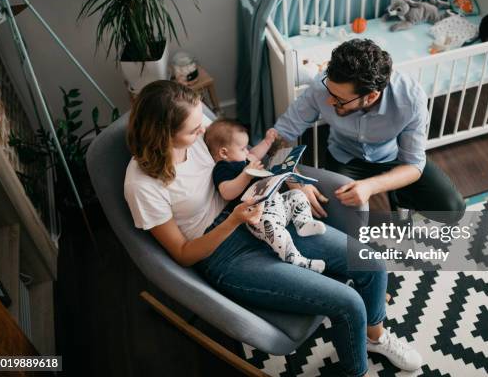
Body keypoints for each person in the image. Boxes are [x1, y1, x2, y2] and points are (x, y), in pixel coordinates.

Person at [123, 80, 422, 376]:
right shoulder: (142, 185)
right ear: (164, 134)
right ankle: (355, 371)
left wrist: (289, 178)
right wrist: (234, 220)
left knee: (372, 264)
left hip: (259, 213)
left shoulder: (199, 136)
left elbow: (244, 159)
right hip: (225, 254)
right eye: (193, 130)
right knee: (349, 303)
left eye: (201, 122)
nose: (203, 131)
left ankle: (375, 338)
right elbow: (183, 254)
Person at [274, 39, 465, 225]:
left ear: (371, 96)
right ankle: (394, 191)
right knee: (333, 217)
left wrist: (370, 186)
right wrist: (297, 183)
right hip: (344, 156)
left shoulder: (411, 99)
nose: (329, 102)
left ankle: (399, 196)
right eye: (330, 92)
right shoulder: (322, 87)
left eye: (339, 99)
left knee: (453, 208)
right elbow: (278, 137)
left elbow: (413, 165)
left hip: (394, 157)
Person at [204, 118, 327, 273]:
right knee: (275, 231)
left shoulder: (243, 159)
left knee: (297, 195)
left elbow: (254, 153)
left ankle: (303, 223)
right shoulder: (223, 168)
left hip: (277, 203)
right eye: (242, 149)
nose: (247, 152)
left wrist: (267, 142)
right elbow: (226, 192)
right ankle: (297, 259)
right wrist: (246, 175)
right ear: (223, 152)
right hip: (259, 216)